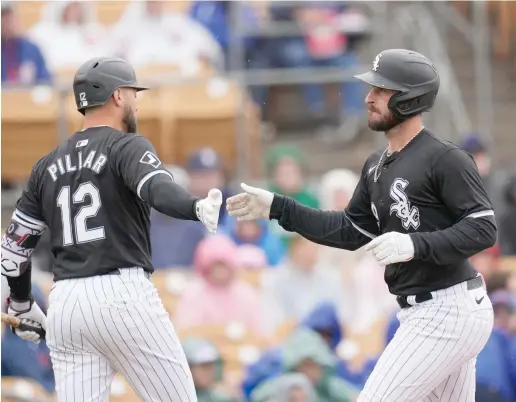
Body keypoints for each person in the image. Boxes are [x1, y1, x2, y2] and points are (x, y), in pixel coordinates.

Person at [226, 49, 497, 401]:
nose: (369, 97)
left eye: (381, 91)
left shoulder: (445, 158)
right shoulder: (376, 165)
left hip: (448, 309)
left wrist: (414, 244)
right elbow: (350, 231)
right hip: (427, 310)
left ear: (408, 98)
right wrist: (280, 208)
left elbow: (483, 227)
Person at [1, 56, 223, 402]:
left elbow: (14, 248)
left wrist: (19, 300)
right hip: (122, 295)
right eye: (133, 93)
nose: (136, 101)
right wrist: (194, 206)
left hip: (67, 304)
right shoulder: (126, 145)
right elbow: (157, 190)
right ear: (118, 96)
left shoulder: (45, 165)